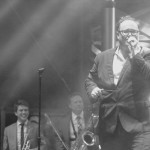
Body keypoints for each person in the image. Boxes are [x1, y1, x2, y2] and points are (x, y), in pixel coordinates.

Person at [85, 15, 150, 150]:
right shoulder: (102, 57)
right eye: (126, 31)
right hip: (109, 126)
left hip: (139, 125)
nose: (130, 35)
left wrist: (136, 55)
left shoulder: (145, 55)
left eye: (134, 32)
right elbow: (90, 79)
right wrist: (92, 89)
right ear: (118, 35)